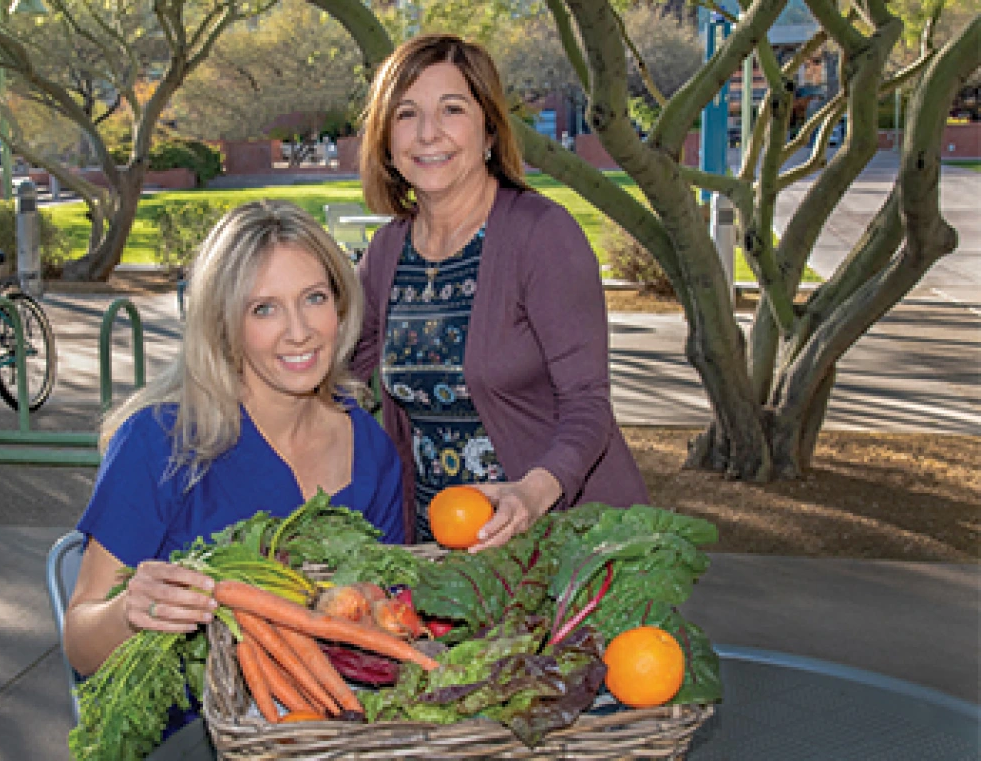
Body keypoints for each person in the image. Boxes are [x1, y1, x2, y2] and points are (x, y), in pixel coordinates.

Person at [64, 200, 404, 721]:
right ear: (224, 323)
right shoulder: (159, 443)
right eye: (263, 308)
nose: (299, 331)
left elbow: (384, 613)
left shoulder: (369, 446)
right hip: (193, 732)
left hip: (336, 726)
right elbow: (81, 645)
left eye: (313, 298)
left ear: (340, 305)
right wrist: (127, 613)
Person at [352, 33, 649, 552]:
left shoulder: (540, 234)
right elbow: (339, 379)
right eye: (405, 114)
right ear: (385, 139)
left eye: (452, 109)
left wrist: (532, 496)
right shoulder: (385, 252)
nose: (428, 133)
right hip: (439, 550)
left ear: (489, 129)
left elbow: (587, 405)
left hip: (560, 536)